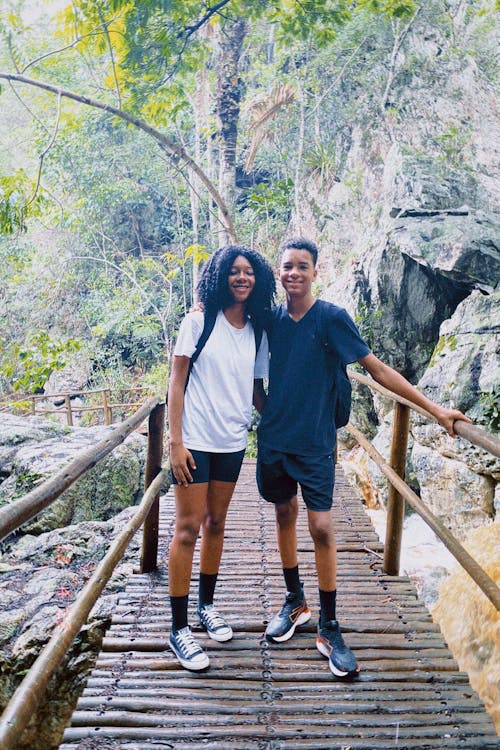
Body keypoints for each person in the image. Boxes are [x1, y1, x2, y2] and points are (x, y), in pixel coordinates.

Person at [255, 236, 470, 680]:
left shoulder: (331, 318)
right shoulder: (270, 320)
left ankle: (330, 626)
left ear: (316, 271)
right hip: (275, 440)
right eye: (286, 267)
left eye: (301, 266)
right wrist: (270, 412)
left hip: (315, 442)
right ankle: (294, 601)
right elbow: (247, 364)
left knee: (322, 527)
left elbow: (377, 369)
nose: (293, 273)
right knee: (282, 516)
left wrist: (436, 410)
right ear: (279, 272)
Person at [167, 245, 275, 671]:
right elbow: (176, 382)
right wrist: (175, 443)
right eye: (234, 271)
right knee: (187, 529)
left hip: (232, 441)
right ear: (219, 277)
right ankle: (179, 629)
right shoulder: (197, 322)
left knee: (216, 524)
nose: (242, 278)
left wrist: (285, 425)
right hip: (194, 438)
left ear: (258, 280)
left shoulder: (256, 330)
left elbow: (255, 389)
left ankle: (206, 606)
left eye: (249, 272)